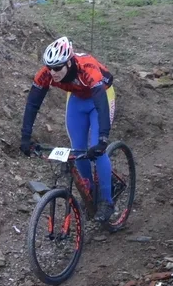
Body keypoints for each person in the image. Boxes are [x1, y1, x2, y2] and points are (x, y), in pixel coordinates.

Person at [20, 36, 117, 222]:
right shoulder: (47, 73)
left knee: (96, 147)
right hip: (77, 100)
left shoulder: (87, 68)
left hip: (101, 97)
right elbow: (32, 103)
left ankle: (107, 201)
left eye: (57, 68)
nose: (53, 72)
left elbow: (101, 106)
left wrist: (103, 138)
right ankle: (90, 191)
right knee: (78, 149)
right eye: (50, 67)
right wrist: (25, 136)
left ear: (69, 62)